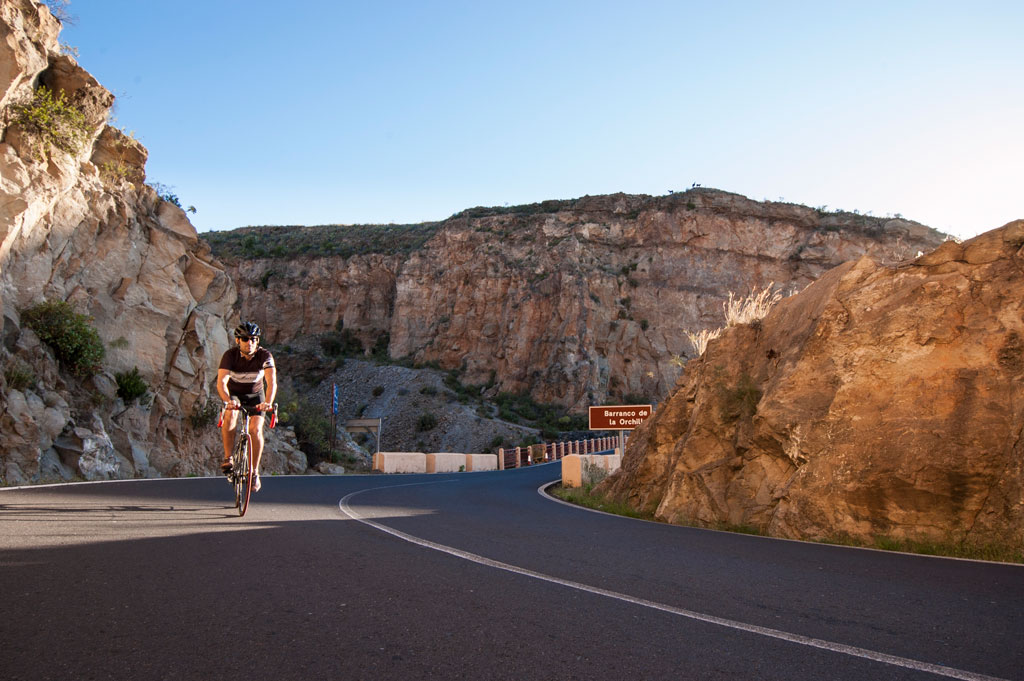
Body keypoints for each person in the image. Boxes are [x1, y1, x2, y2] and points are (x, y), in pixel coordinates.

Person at [217, 321, 277, 492]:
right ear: (238, 340)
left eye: (253, 339)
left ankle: (254, 472)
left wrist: (268, 403)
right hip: (234, 394)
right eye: (245, 339)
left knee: (255, 430)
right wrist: (227, 400)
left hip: (256, 396)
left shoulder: (265, 355)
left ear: (257, 341)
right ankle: (228, 457)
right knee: (230, 415)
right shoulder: (230, 355)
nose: (249, 342)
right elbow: (221, 382)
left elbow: (271, 382)